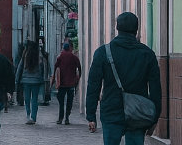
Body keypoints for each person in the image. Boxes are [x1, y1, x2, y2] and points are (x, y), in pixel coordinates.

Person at [86, 12, 161, 144]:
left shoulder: (103, 52)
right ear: (136, 29)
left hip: (111, 110)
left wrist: (91, 115)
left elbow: (93, 85)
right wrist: (154, 117)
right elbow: (156, 89)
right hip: (138, 112)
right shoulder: (147, 54)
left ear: (117, 28)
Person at [16, 39, 46, 125]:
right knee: (34, 99)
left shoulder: (25, 56)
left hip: (26, 80)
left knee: (27, 99)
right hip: (36, 81)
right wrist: (41, 78)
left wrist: (17, 79)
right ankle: (33, 117)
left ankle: (28, 115)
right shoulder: (39, 57)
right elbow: (41, 69)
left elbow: (20, 67)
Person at [53, 41, 82, 125]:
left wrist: (54, 80)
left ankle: (60, 118)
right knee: (69, 102)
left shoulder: (60, 57)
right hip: (71, 83)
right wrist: (78, 77)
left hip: (62, 83)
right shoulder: (74, 57)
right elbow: (79, 68)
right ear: (70, 48)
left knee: (61, 102)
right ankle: (67, 118)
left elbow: (55, 67)